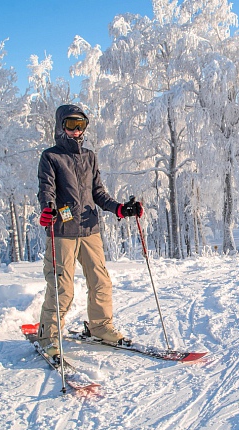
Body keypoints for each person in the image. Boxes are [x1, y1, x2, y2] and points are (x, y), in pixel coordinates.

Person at [37, 104, 143, 357]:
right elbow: (46, 189)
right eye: (71, 125)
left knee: (100, 281)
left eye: (80, 125)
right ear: (60, 127)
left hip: (89, 229)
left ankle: (100, 327)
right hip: (62, 230)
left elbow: (98, 193)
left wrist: (120, 209)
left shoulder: (89, 156)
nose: (76, 131)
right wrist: (47, 209)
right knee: (62, 286)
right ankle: (48, 336)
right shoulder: (51, 157)